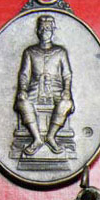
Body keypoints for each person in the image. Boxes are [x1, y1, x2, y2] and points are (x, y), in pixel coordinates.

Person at [14, 15, 74, 155]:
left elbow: (67, 74)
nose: (45, 31)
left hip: (55, 89)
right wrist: (22, 90)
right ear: (37, 31)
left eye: (48, 28)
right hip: (35, 89)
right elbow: (24, 74)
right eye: (42, 28)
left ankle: (51, 136)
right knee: (22, 102)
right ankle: (36, 139)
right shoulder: (29, 52)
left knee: (66, 103)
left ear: (52, 31)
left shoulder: (60, 52)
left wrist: (66, 90)